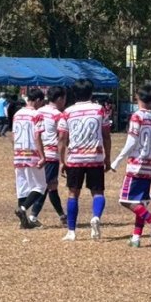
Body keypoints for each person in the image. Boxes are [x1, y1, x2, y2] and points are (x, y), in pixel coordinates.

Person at [56, 78, 111, 241]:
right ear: (91, 93)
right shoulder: (100, 110)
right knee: (98, 192)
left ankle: (71, 231)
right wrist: (107, 158)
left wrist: (61, 161)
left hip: (75, 158)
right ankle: (96, 217)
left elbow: (62, 138)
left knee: (73, 193)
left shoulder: (67, 112)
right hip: (95, 157)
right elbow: (106, 136)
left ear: (74, 94)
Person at [111, 84, 151, 247]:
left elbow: (132, 141)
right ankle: (136, 237)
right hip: (150, 165)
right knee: (140, 202)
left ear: (138, 97)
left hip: (137, 164)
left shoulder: (137, 117)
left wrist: (117, 160)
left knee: (125, 200)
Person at [12, 88, 47, 228]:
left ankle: (23, 222)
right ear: (37, 100)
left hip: (18, 154)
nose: (42, 104)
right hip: (32, 154)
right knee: (40, 186)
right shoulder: (37, 114)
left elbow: (14, 135)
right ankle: (23, 208)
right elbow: (37, 136)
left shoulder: (17, 114)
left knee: (23, 188)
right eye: (42, 102)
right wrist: (42, 156)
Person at [39, 87, 67, 225]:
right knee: (48, 186)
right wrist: (62, 159)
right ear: (60, 99)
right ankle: (31, 214)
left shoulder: (38, 111)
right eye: (64, 99)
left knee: (49, 185)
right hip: (51, 154)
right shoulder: (58, 115)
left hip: (37, 153)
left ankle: (62, 215)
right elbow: (62, 138)